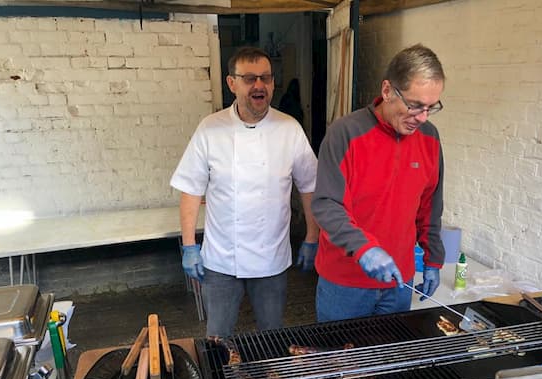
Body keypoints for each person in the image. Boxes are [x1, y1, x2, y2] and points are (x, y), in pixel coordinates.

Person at [170, 47, 319, 338]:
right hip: (222, 259)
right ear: (232, 83)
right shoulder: (210, 129)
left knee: (272, 335)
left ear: (273, 83)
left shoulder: (290, 129)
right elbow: (190, 189)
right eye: (249, 78)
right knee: (218, 336)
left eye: (265, 77)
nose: (259, 85)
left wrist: (313, 237)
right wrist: (189, 246)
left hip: (271, 258)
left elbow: (310, 186)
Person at [311, 43, 446, 322]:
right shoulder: (345, 133)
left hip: (399, 281)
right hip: (345, 283)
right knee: (340, 361)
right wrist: (364, 249)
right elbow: (326, 204)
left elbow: (430, 206)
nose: (421, 117)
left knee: (388, 362)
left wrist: (433, 259)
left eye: (431, 108)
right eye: (415, 105)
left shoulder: (430, 138)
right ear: (387, 91)